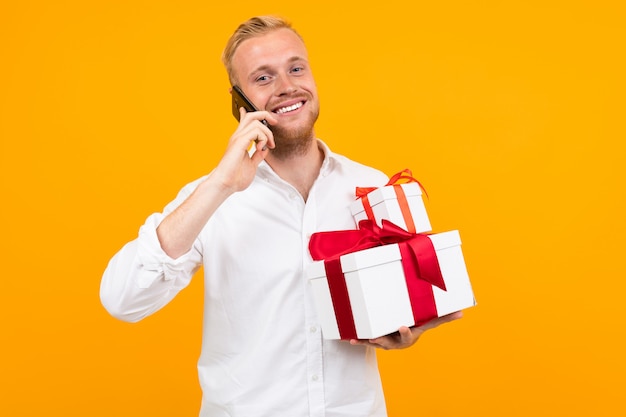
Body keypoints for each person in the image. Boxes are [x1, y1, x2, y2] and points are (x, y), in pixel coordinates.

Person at [100, 15, 462, 417]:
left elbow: (401, 294)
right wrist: (220, 184)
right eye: (263, 78)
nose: (287, 87)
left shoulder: (371, 185)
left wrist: (405, 326)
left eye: (295, 68)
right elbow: (123, 299)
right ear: (240, 102)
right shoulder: (212, 197)